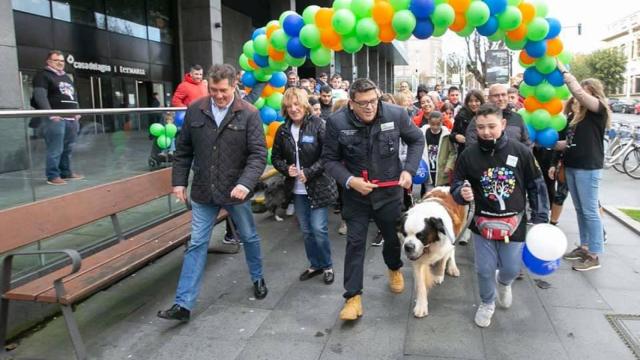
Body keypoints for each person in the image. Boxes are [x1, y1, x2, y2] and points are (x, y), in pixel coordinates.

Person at [158, 64, 268, 322]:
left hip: (236, 191)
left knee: (249, 237)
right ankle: (183, 305)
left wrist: (245, 183)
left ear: (234, 87)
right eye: (214, 90)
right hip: (204, 191)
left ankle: (258, 277)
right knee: (197, 243)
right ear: (208, 86)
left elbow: (258, 155)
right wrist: (178, 182)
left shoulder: (249, 113)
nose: (218, 95)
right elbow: (184, 150)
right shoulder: (196, 109)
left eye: (224, 91)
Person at [323, 78, 425, 321]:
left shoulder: (396, 114)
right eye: (363, 103)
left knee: (391, 239)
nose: (369, 107)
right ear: (351, 103)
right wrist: (349, 180)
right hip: (356, 196)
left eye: (373, 101)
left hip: (389, 194)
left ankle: (394, 268)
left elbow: (416, 139)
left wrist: (408, 170)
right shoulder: (336, 123)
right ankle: (352, 298)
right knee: (355, 243)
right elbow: (329, 160)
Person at [451, 103, 549, 328]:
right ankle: (487, 303)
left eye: (491, 126)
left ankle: (504, 283)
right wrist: (461, 192)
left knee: (511, 268)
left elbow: (537, 184)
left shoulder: (521, 151)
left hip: (514, 223)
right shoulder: (468, 155)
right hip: (482, 221)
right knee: (484, 269)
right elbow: (456, 183)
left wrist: (542, 219)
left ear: (503, 124)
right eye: (481, 127)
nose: (486, 132)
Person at [271, 88, 338, 284]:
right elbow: (275, 158)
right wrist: (286, 168)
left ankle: (327, 265)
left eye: (297, 104)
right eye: (289, 106)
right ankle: (315, 264)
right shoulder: (282, 130)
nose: (293, 109)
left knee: (318, 228)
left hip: (319, 186)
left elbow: (328, 155)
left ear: (304, 106)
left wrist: (308, 172)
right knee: (307, 230)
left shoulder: (318, 125)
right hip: (297, 190)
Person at [554, 60, 611, 271]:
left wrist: (564, 72)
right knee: (580, 210)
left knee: (589, 211)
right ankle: (585, 246)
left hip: (588, 167)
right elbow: (567, 144)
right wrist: (548, 143)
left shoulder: (599, 109)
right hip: (573, 166)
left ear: (594, 94)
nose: (580, 98)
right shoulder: (577, 118)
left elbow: (577, 92)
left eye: (585, 94)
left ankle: (594, 254)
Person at [32, 50, 83, 185]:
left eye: (62, 61)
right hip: (56, 119)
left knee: (68, 148)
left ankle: (66, 173)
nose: (60, 63)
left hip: (72, 119)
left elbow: (73, 96)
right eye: (56, 60)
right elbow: (40, 96)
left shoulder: (66, 77)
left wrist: (77, 111)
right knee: (55, 148)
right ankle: (53, 176)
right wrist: (51, 114)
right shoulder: (43, 75)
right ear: (49, 62)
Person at [465, 84, 530, 147]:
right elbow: (471, 143)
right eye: (496, 95)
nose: (500, 99)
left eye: (503, 95)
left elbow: (526, 142)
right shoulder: (479, 119)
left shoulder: (517, 118)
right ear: (489, 98)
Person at [421, 111, 455, 189]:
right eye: (433, 124)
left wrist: (449, 166)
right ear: (429, 122)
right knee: (428, 195)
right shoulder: (423, 133)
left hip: (442, 173)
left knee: (441, 196)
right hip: (427, 172)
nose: (435, 127)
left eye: (438, 124)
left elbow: (453, 152)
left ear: (442, 122)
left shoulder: (446, 136)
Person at [452, 89, 485, 154]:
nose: (473, 104)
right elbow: (452, 134)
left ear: (481, 102)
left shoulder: (487, 115)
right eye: (470, 101)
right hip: (464, 152)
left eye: (477, 101)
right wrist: (455, 136)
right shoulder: (461, 116)